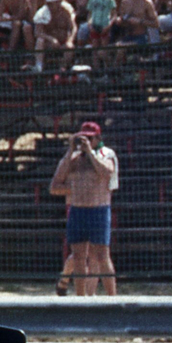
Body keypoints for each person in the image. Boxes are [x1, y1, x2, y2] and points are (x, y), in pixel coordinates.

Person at [49, 121, 120, 297]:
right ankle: (80, 299)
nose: (85, 141)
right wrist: (70, 151)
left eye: (89, 138)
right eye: (83, 138)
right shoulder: (73, 159)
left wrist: (90, 153)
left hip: (99, 210)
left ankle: (113, 299)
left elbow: (106, 172)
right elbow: (55, 184)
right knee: (79, 256)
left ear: (98, 138)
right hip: (78, 211)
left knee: (102, 256)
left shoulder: (107, 154)